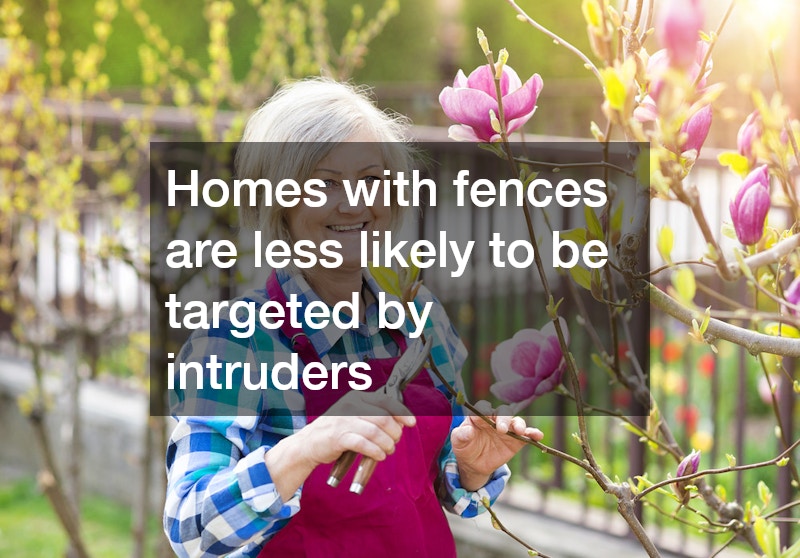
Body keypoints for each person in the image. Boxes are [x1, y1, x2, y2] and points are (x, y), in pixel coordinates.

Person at [163, 78, 543, 558]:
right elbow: (190, 528)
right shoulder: (237, 342)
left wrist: (471, 465)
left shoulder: (418, 318)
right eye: (323, 184)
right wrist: (303, 448)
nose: (355, 204)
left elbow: (443, 487)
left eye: (371, 179)